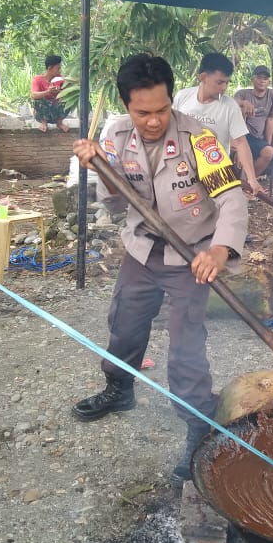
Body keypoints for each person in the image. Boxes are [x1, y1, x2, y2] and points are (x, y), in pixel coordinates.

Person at [71, 53, 247, 482]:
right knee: (125, 322)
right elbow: (115, 203)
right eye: (142, 112)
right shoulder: (115, 135)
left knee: (187, 345)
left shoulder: (199, 139)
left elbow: (231, 199)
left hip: (192, 255)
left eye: (161, 109)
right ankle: (119, 388)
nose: (153, 121)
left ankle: (199, 430)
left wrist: (221, 250)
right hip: (141, 250)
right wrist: (98, 167)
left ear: (173, 98)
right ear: (126, 106)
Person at [172, 52, 263, 193]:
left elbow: (241, 142)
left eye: (227, 82)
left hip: (217, 172)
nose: (224, 87)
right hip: (184, 169)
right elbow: (171, 131)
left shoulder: (230, 106)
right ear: (203, 77)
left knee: (221, 210)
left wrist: (252, 178)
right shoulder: (182, 98)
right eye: (220, 82)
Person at [233, 64, 273, 178]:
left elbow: (271, 119)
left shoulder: (271, 94)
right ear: (253, 79)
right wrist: (243, 103)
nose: (262, 81)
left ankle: (249, 181)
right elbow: (232, 102)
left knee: (269, 153)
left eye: (265, 78)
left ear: (268, 81)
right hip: (242, 135)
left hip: (257, 138)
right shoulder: (243, 94)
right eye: (259, 78)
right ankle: (244, 181)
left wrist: (267, 143)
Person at [30, 54, 70, 133]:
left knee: (70, 99)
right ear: (50, 68)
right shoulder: (38, 79)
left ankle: (59, 123)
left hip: (56, 112)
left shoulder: (61, 79)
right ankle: (44, 123)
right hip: (42, 113)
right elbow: (33, 95)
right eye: (58, 68)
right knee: (37, 100)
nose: (60, 70)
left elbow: (67, 93)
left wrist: (61, 92)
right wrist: (48, 92)